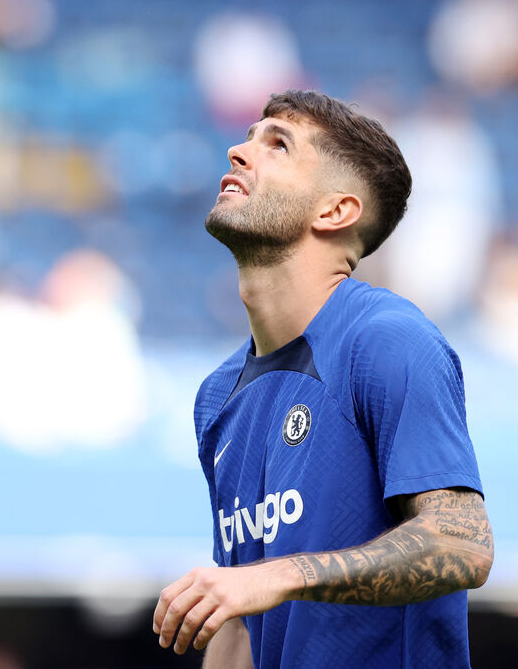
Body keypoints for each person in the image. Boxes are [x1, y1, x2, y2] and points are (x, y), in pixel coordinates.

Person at [152, 90, 493, 668]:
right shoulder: (217, 396)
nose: (238, 151)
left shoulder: (387, 340)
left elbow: (462, 543)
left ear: (335, 211)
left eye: (277, 144)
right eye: (249, 136)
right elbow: (239, 617)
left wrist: (282, 577)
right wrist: (252, 589)